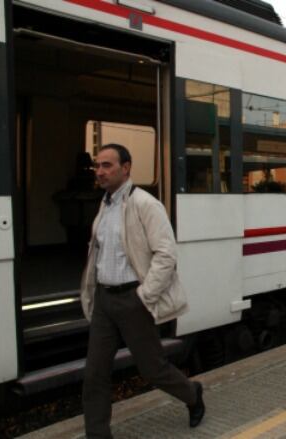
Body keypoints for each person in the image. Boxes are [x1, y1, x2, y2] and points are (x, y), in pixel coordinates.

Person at [80, 144, 205, 438]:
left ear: (126, 168)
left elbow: (166, 254)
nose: (100, 171)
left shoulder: (145, 204)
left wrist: (144, 295)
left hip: (132, 299)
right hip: (105, 301)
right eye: (97, 166)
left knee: (153, 369)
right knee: (94, 374)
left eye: (107, 165)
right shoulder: (105, 204)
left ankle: (192, 394)